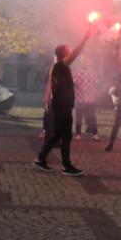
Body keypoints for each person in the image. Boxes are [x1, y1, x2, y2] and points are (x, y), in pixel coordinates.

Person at [34, 31, 90, 175]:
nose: (70, 52)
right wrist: (84, 39)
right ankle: (66, 166)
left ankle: (41, 159)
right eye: (68, 50)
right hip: (62, 108)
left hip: (61, 107)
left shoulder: (59, 68)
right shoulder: (60, 66)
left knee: (56, 135)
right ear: (63, 54)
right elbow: (76, 53)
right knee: (66, 136)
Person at [72, 55, 101, 141]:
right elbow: (73, 83)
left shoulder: (93, 72)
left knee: (92, 117)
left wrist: (93, 88)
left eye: (87, 60)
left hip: (90, 98)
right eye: (84, 60)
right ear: (81, 61)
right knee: (78, 117)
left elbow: (97, 84)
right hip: (79, 98)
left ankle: (95, 134)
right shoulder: (77, 71)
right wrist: (78, 87)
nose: (85, 61)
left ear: (90, 61)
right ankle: (78, 134)